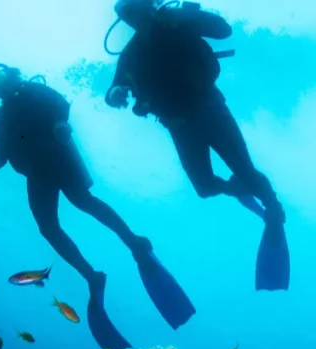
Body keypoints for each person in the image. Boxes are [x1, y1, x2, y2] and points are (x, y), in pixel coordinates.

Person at [0, 64, 194, 349]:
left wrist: (57, 123)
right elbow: (0, 156)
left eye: (3, 85)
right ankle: (116, 256)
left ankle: (114, 258)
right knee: (70, 213)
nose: (4, 90)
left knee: (74, 210)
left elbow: (59, 108)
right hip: (44, 168)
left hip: (53, 161)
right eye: (1, 87)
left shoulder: (30, 93)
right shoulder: (7, 113)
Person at [104, 0, 290, 291]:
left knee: (246, 171)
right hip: (181, 127)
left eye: (136, 12)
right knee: (204, 188)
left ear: (150, 7)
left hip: (211, 110)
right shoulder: (131, 53)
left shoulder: (180, 21)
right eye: (128, 16)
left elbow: (224, 30)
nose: (134, 20)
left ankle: (273, 207)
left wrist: (189, 14)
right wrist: (114, 93)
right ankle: (237, 188)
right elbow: (115, 86)